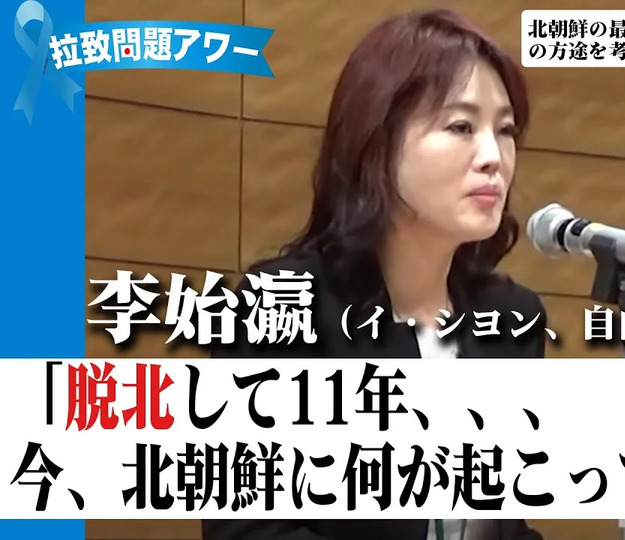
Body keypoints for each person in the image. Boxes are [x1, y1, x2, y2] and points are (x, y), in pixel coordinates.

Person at [203, 9, 546, 540]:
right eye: (461, 127)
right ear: (377, 144)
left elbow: (505, 527)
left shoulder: (511, 319)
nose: (493, 157)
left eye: (505, 130)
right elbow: (248, 532)